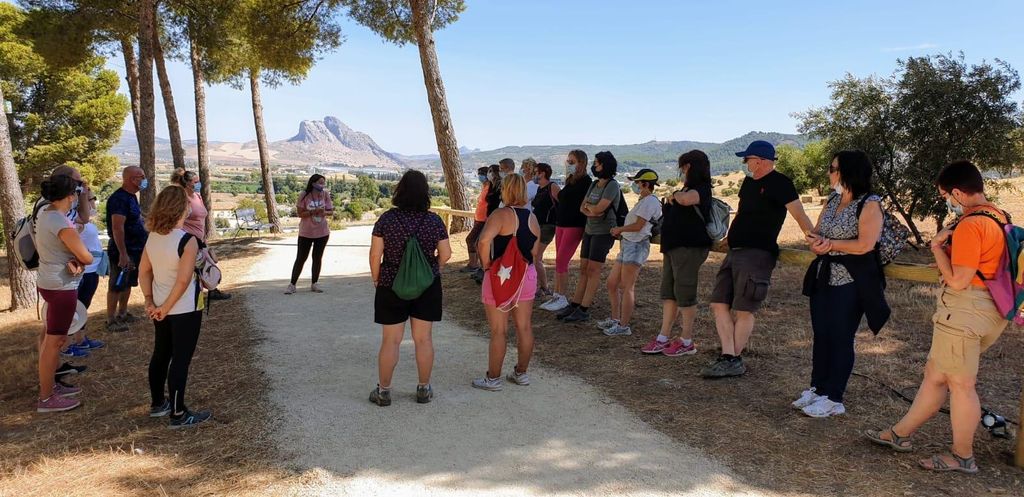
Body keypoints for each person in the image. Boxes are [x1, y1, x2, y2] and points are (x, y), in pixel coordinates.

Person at [865, 160, 1009, 474]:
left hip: (964, 311)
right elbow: (980, 266)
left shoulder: (971, 224)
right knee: (936, 375)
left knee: (960, 385)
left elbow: (959, 279)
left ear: (957, 192)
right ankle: (899, 434)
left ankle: (962, 457)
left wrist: (935, 248)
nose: (947, 201)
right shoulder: (998, 215)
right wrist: (948, 258)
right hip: (988, 311)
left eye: (946, 196)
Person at [703, 140, 814, 378]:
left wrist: (814, 240)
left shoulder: (781, 183)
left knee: (744, 308)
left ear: (761, 161)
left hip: (757, 254)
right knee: (718, 303)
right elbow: (742, 213)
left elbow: (799, 214)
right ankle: (729, 355)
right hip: (736, 251)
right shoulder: (748, 183)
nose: (745, 164)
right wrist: (730, 238)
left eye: (748, 159)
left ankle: (732, 358)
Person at [795, 150, 888, 418]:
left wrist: (830, 244)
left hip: (850, 281)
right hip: (824, 276)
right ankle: (818, 387)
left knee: (840, 337)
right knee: (821, 334)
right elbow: (819, 231)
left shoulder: (869, 203)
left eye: (833, 167)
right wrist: (815, 241)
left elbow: (865, 245)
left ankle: (834, 396)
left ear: (848, 171)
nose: (829, 172)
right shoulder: (833, 199)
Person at [368, 170, 452, 406]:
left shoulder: (387, 219)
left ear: (400, 190)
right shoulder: (434, 221)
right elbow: (446, 254)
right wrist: (432, 269)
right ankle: (424, 388)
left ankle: (383, 391)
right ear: (425, 192)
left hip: (391, 284)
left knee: (390, 341)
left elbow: (376, 254)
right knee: (423, 340)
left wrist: (377, 279)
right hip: (427, 286)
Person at [140, 185, 212, 428]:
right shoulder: (187, 241)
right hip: (184, 309)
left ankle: (158, 403)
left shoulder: (153, 237)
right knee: (181, 359)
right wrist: (167, 306)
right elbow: (183, 281)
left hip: (160, 305)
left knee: (161, 354)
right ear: (182, 208)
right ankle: (179, 413)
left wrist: (151, 302)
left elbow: (144, 271)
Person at [641, 151, 713, 356]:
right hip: (674, 247)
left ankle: (687, 340)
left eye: (682, 167)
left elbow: (686, 200)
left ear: (689, 167)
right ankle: (663, 337)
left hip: (689, 248)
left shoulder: (701, 189)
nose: (681, 171)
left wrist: (674, 196)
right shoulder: (687, 188)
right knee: (669, 293)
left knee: (685, 294)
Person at [473, 173, 540, 391]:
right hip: (526, 276)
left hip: (501, 275)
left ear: (505, 190)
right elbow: (534, 252)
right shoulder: (532, 218)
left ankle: (493, 378)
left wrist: (486, 265)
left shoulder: (500, 214)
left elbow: (483, 241)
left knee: (499, 330)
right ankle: (521, 373)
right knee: (524, 327)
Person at [35, 174, 94, 412]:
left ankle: (49, 387)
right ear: (70, 196)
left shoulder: (45, 214)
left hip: (49, 281)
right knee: (55, 341)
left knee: (51, 337)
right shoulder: (59, 222)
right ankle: (47, 398)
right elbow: (87, 256)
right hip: (62, 286)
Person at [557, 151, 621, 323]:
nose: (595, 166)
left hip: (603, 232)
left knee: (593, 270)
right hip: (590, 229)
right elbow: (582, 208)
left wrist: (591, 209)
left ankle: (584, 308)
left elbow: (599, 208)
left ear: (606, 165)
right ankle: (575, 304)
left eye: (598, 163)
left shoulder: (612, 185)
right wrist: (592, 210)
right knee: (583, 268)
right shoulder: (594, 184)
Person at [600, 169, 661, 336]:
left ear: (645, 184)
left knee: (628, 287)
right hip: (628, 243)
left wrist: (620, 228)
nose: (635, 185)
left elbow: (639, 226)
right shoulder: (644, 201)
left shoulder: (650, 202)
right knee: (612, 283)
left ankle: (624, 325)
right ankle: (615, 319)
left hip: (636, 245)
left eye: (637, 182)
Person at [540, 150, 591, 312]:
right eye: (567, 161)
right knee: (558, 261)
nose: (568, 164)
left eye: (572, 161)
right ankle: (557, 293)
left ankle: (562, 296)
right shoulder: (570, 181)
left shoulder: (586, 182)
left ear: (581, 163)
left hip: (574, 225)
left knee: (562, 260)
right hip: (561, 224)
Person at [171, 167, 230, 301]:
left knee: (207, 264)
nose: (198, 184)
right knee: (196, 267)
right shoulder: (182, 199)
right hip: (189, 239)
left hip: (200, 238)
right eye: (195, 181)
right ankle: (196, 293)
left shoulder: (197, 196)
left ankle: (211, 289)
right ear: (187, 183)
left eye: (198, 181)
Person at [106, 166, 149, 332]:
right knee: (117, 284)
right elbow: (118, 228)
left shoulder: (132, 197)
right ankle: (111, 319)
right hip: (123, 250)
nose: (144, 179)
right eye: (142, 176)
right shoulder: (119, 199)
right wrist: (123, 254)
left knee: (128, 282)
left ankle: (123, 313)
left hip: (136, 248)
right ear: (132, 179)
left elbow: (136, 218)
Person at [65, 194, 106, 356]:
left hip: (91, 269)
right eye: (90, 198)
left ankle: (80, 339)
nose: (93, 201)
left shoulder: (85, 218)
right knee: (75, 308)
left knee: (83, 306)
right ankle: (66, 344)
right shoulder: (73, 219)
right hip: (81, 271)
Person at [286, 174, 334, 294]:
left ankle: (315, 283)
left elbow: (331, 212)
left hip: (322, 232)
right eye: (320, 182)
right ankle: (292, 284)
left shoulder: (325, 194)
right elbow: (300, 213)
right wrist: (312, 212)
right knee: (301, 258)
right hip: (306, 232)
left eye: (324, 183)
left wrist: (324, 212)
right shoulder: (304, 195)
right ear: (313, 183)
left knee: (317, 258)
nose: (322, 185)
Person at [531, 163, 560, 299]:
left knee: (536, 257)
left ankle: (543, 287)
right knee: (536, 257)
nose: (534, 174)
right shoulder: (539, 188)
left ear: (542, 173)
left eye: (536, 172)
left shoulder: (552, 187)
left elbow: (562, 204)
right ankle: (541, 286)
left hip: (548, 226)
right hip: (538, 225)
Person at [472, 164, 503, 284]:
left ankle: (487, 271)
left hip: (494, 219)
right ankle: (485, 269)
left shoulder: (499, 186)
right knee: (481, 245)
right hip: (488, 218)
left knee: (483, 244)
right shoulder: (492, 186)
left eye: (490, 171)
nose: (488, 174)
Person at [463, 166, 492, 274]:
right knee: (475, 242)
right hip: (478, 218)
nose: (480, 176)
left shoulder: (490, 188)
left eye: (482, 174)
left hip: (484, 220)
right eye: (479, 173)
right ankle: (476, 264)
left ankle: (474, 264)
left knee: (471, 240)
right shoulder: (484, 187)